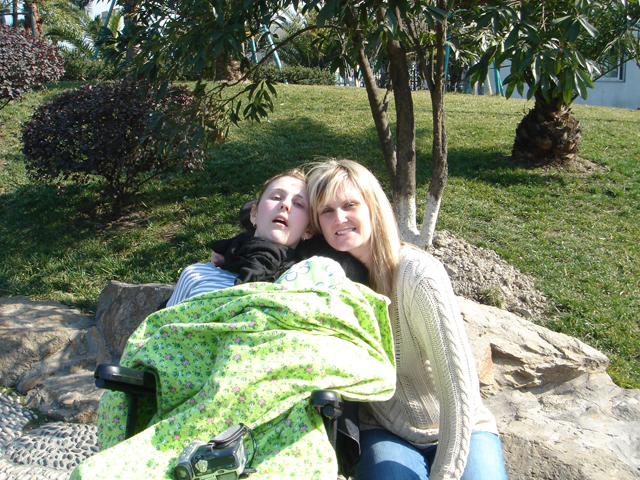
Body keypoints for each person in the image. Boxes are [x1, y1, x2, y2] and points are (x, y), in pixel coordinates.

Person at [306, 159, 508, 480]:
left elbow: (459, 389)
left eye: (349, 205)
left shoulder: (417, 275)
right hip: (385, 430)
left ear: (373, 206)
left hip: (459, 426)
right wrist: (231, 252)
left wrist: (447, 473)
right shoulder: (327, 279)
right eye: (326, 211)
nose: (339, 218)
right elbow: (274, 230)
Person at [166, 169, 314, 307]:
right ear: (254, 214)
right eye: (276, 197)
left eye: (298, 204)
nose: (285, 204)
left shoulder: (309, 283)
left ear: (308, 230)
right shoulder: (197, 274)